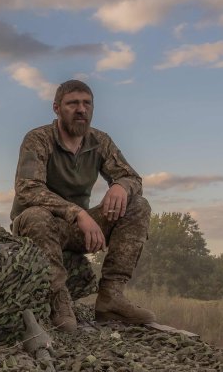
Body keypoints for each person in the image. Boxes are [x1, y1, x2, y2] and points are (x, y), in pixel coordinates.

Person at [10, 79, 155, 333]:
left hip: (76, 229)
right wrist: (76, 212)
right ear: (57, 108)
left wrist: (121, 186)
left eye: (87, 103)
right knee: (36, 217)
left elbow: (132, 178)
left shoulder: (99, 142)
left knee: (138, 205)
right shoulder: (38, 139)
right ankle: (59, 302)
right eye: (72, 104)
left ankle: (112, 296)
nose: (81, 109)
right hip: (36, 228)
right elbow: (28, 188)